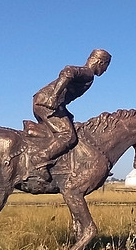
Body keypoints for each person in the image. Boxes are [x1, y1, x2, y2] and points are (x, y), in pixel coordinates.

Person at [27, 49, 112, 183]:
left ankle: (33, 132)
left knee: (68, 125)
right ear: (100, 62)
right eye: (106, 66)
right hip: (47, 103)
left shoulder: (88, 75)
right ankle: (40, 158)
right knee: (68, 135)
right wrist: (54, 97)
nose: (105, 71)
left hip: (42, 101)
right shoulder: (88, 73)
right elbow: (68, 71)